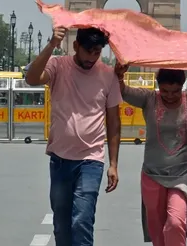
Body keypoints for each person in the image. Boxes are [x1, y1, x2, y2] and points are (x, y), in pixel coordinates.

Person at [25, 26, 122, 246]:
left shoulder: (108, 75)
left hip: (91, 160)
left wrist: (113, 163)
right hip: (60, 158)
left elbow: (114, 121)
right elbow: (31, 78)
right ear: (75, 46)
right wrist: (50, 45)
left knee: (82, 220)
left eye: (97, 52)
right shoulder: (58, 65)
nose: (92, 57)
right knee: (62, 224)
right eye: (88, 51)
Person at [114, 64, 187, 246]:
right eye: (165, 90)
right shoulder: (149, 99)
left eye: (175, 91)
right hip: (153, 173)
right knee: (157, 229)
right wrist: (119, 75)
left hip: (183, 173)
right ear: (157, 85)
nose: (169, 95)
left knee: (176, 223)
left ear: (183, 85)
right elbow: (123, 90)